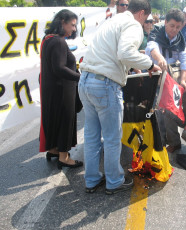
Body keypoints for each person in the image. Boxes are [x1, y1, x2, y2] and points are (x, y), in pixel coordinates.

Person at [78, 0, 161, 195]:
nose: (144, 23)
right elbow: (125, 53)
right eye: (145, 19)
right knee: (112, 137)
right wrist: (150, 65)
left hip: (86, 81)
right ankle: (114, 181)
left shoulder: (112, 21)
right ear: (142, 13)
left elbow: (114, 53)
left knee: (91, 136)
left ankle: (91, 180)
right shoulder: (132, 24)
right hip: (105, 84)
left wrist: (133, 64)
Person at [39, 9, 83, 169]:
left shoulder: (48, 39)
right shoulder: (58, 41)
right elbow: (59, 68)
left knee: (55, 120)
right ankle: (64, 157)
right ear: (62, 22)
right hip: (63, 90)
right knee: (65, 121)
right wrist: (81, 77)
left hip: (53, 89)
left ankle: (53, 149)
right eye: (71, 25)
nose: (73, 29)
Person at [146, 8, 186, 88]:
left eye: (178, 27)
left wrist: (183, 80)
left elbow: (184, 62)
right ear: (166, 22)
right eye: (172, 26)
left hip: (172, 79)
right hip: (154, 76)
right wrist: (159, 58)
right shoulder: (156, 33)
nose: (174, 29)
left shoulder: (181, 40)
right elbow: (152, 48)